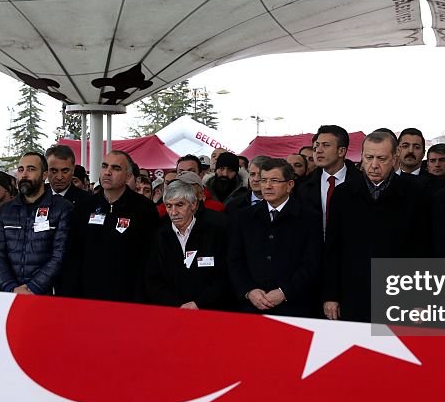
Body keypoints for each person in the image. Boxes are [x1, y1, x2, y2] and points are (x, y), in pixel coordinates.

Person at [322, 130, 428, 322]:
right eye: (369, 157)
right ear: (361, 156)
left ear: (395, 158)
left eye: (381, 158)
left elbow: (422, 250)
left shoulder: (416, 195)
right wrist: (331, 295)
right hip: (353, 293)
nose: (374, 165)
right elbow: (333, 248)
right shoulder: (343, 194)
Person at [229, 157, 322, 316]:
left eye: (274, 180)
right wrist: (249, 290)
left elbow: (312, 263)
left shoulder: (309, 218)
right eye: (263, 180)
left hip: (295, 308)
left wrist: (284, 292)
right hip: (252, 306)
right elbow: (235, 259)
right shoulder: (244, 217)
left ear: (290, 185)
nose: (267, 186)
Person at [62, 150, 160, 301]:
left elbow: (150, 258)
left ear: (128, 176)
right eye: (104, 166)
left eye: (116, 168)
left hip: (128, 300)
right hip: (88, 298)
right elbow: (73, 255)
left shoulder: (144, 209)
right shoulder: (84, 208)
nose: (108, 172)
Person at [0, 152, 73, 295]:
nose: (24, 175)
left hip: (47, 294)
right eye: (21, 169)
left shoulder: (62, 208)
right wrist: (10, 287)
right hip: (11, 293)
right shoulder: (5, 211)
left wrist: (33, 288)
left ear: (44, 175)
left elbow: (60, 254)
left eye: (31, 169)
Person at [143, 180, 231, 310]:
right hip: (171, 313)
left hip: (210, 312)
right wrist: (178, 306)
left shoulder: (214, 233)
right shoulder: (159, 236)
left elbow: (224, 277)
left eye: (179, 205)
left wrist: (198, 303)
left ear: (194, 204)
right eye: (168, 206)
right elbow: (152, 280)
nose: (173, 212)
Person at [296, 124, 359, 233]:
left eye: (325, 145)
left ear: (341, 151)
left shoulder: (361, 182)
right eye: (317, 146)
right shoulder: (303, 186)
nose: (318, 151)